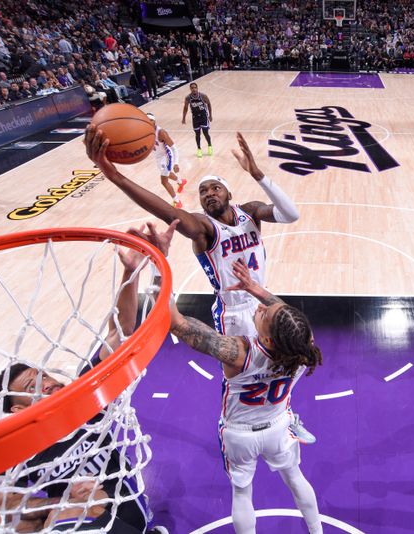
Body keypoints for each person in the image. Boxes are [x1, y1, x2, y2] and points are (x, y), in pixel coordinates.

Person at [83, 125, 316, 443]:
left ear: (228, 194)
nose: (208, 194)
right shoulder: (203, 228)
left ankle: (286, 415)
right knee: (241, 374)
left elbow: (291, 214)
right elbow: (167, 211)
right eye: (203, 191)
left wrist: (258, 173)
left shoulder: (250, 213)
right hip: (232, 312)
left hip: (261, 302)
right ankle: (233, 423)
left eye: (214, 189)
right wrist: (115, 176)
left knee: (289, 360)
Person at [0, 222, 178, 533]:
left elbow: (120, 331)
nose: (47, 382)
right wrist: (58, 503)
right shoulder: (17, 446)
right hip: (72, 513)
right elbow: (2, 504)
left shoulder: (84, 398)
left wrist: (131, 273)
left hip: (121, 502)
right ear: (18, 411)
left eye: (45, 375)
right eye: (32, 386)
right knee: (23, 524)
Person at [168, 255, 324, 534]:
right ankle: (316, 531)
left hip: (240, 435)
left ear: (267, 339)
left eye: (265, 312)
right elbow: (290, 319)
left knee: (242, 494)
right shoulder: (303, 348)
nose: (262, 308)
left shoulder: (239, 352)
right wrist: (256, 289)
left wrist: (163, 269)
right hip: (278, 426)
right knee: (295, 477)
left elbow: (177, 323)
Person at [146, 113, 187, 208]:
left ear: (154, 121)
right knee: (167, 174)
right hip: (158, 157)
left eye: (150, 120)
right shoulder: (144, 131)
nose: (148, 122)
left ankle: (177, 201)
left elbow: (174, 148)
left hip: (166, 156)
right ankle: (180, 181)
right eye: (146, 120)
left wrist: (176, 163)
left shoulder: (161, 132)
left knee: (163, 181)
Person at [182, 82, 213, 158]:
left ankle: (209, 145)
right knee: (197, 134)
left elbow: (209, 104)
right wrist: (183, 118)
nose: (194, 89)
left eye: (195, 87)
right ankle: (199, 149)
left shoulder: (203, 96)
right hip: (195, 118)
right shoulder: (188, 98)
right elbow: (185, 108)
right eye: (192, 88)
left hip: (204, 117)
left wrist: (210, 115)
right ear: (190, 89)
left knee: (206, 133)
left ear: (197, 88)